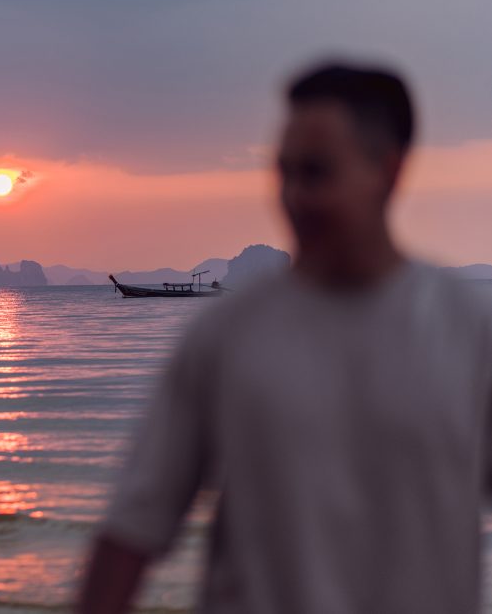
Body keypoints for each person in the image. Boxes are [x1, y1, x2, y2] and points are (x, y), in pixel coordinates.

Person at [78, 62, 492, 613]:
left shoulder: (466, 331)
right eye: (285, 172)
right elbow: (131, 532)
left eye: (316, 173)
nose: (294, 195)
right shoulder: (227, 337)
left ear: (387, 171)